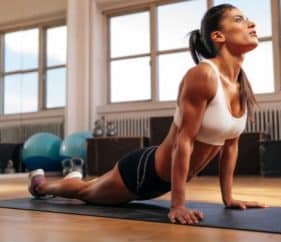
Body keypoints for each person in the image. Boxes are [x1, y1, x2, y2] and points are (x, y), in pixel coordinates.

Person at [28, 4, 266, 225]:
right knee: (84, 193)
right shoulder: (203, 75)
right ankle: (40, 186)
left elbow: (230, 147)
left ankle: (69, 176)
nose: (251, 23)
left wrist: (229, 198)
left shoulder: (240, 85)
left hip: (162, 180)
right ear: (218, 36)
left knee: (88, 188)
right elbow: (183, 142)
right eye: (239, 19)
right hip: (143, 173)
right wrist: (178, 205)